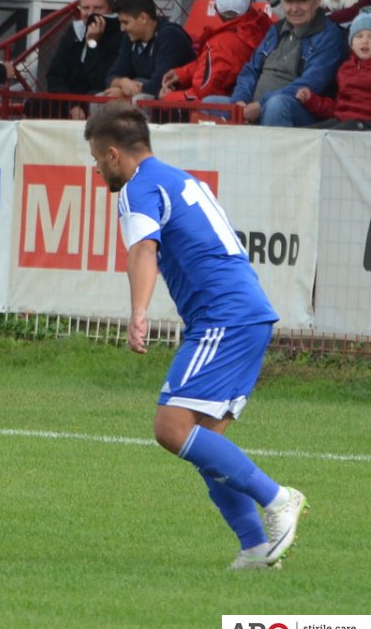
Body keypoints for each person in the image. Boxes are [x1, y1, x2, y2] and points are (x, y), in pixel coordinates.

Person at [83, 101, 307, 570]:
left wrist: (138, 311)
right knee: (207, 446)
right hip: (245, 313)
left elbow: (144, 249)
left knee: (170, 428)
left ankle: (278, 498)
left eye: (97, 159)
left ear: (113, 154)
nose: (97, 169)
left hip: (223, 317)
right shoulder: (180, 179)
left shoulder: (139, 187)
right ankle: (255, 548)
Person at [205, 0, 345, 127]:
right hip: (255, 105)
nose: (294, 8)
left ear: (317, 1)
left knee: (276, 105)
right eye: (289, 1)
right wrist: (240, 101)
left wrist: (261, 105)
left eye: (302, 0)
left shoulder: (328, 35)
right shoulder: (276, 29)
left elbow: (311, 83)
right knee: (209, 103)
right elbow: (251, 70)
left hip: (299, 110)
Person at [160, 0, 270, 103]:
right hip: (252, 101)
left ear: (217, 9)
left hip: (225, 109)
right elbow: (213, 66)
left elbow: (204, 94)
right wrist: (182, 74)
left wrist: (169, 98)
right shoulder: (262, 24)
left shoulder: (220, 45)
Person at [39, 0, 122, 119]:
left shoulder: (120, 33)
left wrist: (92, 43)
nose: (90, 13)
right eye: (85, 8)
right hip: (72, 101)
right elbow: (55, 76)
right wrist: (72, 105)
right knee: (35, 104)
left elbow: (101, 79)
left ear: (110, 9)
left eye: (97, 8)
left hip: (98, 97)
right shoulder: (74, 31)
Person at [102, 0, 194, 101]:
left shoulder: (171, 36)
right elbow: (111, 76)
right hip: (143, 93)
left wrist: (124, 92)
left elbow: (161, 83)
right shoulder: (130, 37)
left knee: (139, 99)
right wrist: (122, 82)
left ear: (143, 18)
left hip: (175, 102)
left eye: (126, 23)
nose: (122, 29)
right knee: (102, 97)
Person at [296, 8, 371, 130]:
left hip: (365, 124)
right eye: (359, 36)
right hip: (342, 120)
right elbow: (337, 106)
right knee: (308, 134)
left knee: (335, 133)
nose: (365, 41)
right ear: (352, 44)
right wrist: (311, 100)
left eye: (370, 37)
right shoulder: (345, 69)